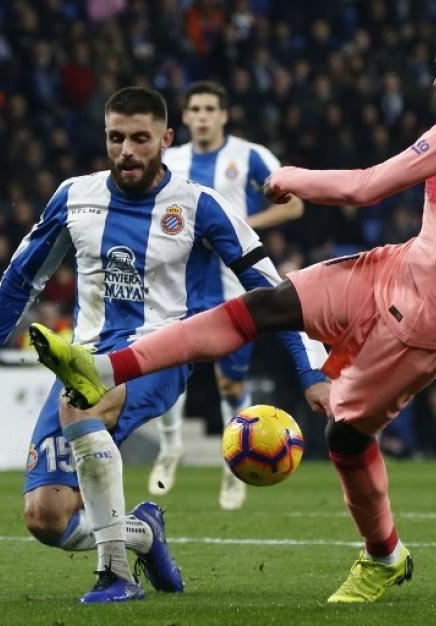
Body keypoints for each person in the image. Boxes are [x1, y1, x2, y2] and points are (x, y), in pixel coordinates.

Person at [31, 18, 436, 604]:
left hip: (429, 320)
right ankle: (105, 369)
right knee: (262, 306)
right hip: (398, 269)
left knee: (346, 438)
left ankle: (384, 555)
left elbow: (367, 187)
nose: (435, 80)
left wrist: (287, 178)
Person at [0, 86, 327, 604]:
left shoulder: (201, 206)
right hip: (84, 358)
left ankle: (115, 574)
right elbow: (21, 279)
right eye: (116, 138)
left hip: (161, 353)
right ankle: (142, 534)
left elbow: (273, 293)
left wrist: (311, 374)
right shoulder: (74, 197)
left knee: (82, 400)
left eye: (140, 138)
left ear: (166, 138)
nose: (127, 151)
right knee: (46, 518)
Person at [157, 81, 307, 509]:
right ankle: (170, 449)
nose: (202, 116)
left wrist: (240, 224)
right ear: (185, 117)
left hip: (231, 278)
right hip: (180, 278)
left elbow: (294, 204)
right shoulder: (172, 159)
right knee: (169, 363)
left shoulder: (249, 155)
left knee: (230, 380)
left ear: (223, 115)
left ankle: (233, 468)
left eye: (210, 108)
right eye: (195, 109)